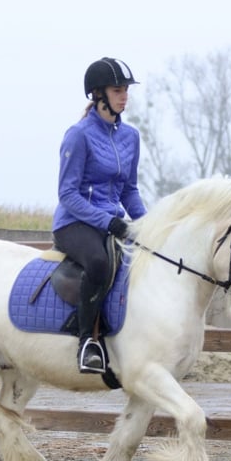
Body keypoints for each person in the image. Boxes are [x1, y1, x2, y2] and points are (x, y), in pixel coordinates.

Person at [52, 57, 147, 374]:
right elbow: (67, 194)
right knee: (99, 262)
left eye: (126, 91)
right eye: (118, 90)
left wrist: (148, 225)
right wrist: (108, 222)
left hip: (113, 223)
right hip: (74, 224)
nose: (125, 96)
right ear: (98, 94)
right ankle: (86, 344)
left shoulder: (130, 137)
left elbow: (128, 191)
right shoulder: (78, 135)